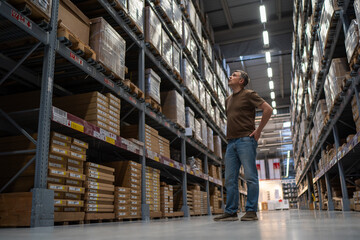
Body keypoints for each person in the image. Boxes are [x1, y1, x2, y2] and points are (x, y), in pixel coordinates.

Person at [214, 70, 273, 221]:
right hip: (231, 142)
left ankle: (251, 211)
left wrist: (258, 130)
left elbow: (268, 109)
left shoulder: (249, 94)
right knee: (230, 178)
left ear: (241, 81)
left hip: (246, 140)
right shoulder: (228, 100)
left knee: (250, 176)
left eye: (234, 75)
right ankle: (231, 211)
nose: (230, 76)